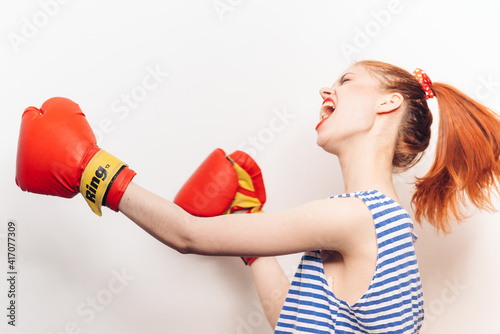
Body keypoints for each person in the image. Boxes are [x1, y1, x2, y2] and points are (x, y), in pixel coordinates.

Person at [15, 60, 500, 333]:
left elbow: (190, 234)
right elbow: (289, 316)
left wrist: (91, 169)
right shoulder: (382, 224)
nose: (326, 90)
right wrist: (250, 228)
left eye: (346, 81)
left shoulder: (356, 218)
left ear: (388, 102)